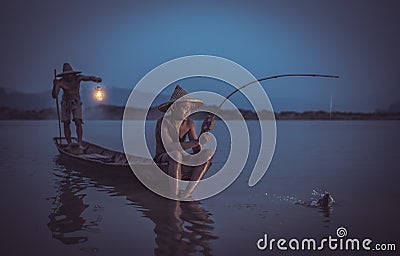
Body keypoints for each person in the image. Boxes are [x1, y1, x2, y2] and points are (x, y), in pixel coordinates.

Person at [154, 85, 214, 199]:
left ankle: (187, 193)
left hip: (180, 156)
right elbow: (170, 147)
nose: (187, 111)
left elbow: (196, 150)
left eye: (189, 108)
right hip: (164, 156)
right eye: (184, 107)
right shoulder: (163, 122)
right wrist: (196, 142)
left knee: (208, 153)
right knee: (175, 154)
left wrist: (203, 133)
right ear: (173, 108)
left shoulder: (189, 123)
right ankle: (174, 195)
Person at [52, 63, 102, 149]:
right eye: (67, 75)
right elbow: (54, 96)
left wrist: (96, 79)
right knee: (66, 122)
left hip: (76, 101)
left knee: (78, 121)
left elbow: (88, 78)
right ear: (64, 76)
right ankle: (69, 143)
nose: (69, 76)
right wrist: (54, 85)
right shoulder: (60, 82)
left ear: (73, 73)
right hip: (65, 102)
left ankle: (79, 143)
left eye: (70, 74)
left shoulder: (78, 78)